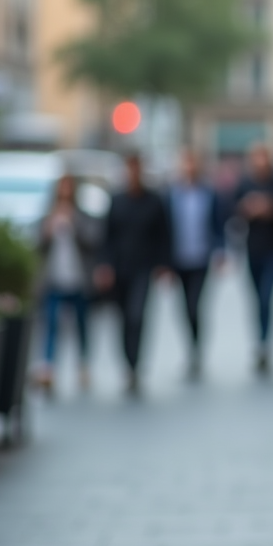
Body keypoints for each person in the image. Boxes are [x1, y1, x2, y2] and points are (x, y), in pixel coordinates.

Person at [95, 153, 169, 396]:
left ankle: (136, 364)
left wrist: (163, 265)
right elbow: (107, 237)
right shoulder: (116, 201)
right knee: (123, 319)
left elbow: (164, 236)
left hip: (143, 268)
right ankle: (127, 365)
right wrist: (104, 266)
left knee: (137, 316)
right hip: (119, 269)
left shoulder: (154, 201)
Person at [35, 174, 101, 395]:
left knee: (82, 324)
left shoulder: (81, 216)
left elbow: (93, 240)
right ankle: (48, 368)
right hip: (54, 279)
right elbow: (37, 245)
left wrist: (74, 223)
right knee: (51, 324)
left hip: (78, 279)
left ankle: (83, 364)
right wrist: (49, 229)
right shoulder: (49, 216)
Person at [165, 149, 225, 380]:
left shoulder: (209, 193)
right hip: (178, 259)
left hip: (201, 258)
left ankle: (196, 350)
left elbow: (218, 225)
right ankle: (191, 346)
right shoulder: (171, 194)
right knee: (183, 309)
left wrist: (220, 251)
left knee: (194, 305)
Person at [234, 143, 273, 374]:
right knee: (257, 299)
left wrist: (272, 207)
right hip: (252, 249)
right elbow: (233, 210)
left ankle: (266, 344)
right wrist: (248, 208)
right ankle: (259, 340)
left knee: (268, 297)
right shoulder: (245, 183)